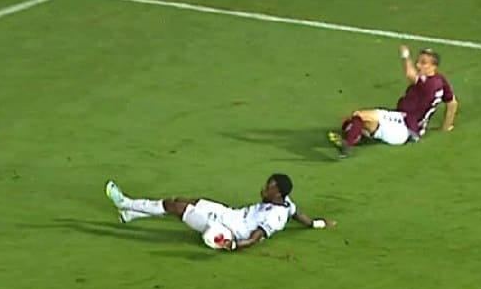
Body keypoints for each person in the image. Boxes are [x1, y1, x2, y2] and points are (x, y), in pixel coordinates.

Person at [104, 174, 336, 251]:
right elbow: (298, 214)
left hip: (225, 228)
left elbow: (255, 238)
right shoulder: (286, 204)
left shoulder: (274, 217)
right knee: (183, 200)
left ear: (277, 193)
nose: (264, 188)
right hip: (227, 213)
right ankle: (132, 214)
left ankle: (126, 203)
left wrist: (233, 245)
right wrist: (316, 224)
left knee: (173, 206)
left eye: (269, 187)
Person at [328, 45, 459, 158]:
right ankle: (357, 133)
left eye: (423, 63)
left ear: (434, 66)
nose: (418, 65)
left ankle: (348, 145)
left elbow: (410, 75)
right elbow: (452, 103)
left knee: (359, 116)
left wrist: (405, 56)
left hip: (403, 126)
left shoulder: (427, 84)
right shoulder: (441, 81)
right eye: (418, 61)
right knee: (355, 120)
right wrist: (446, 126)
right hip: (403, 122)